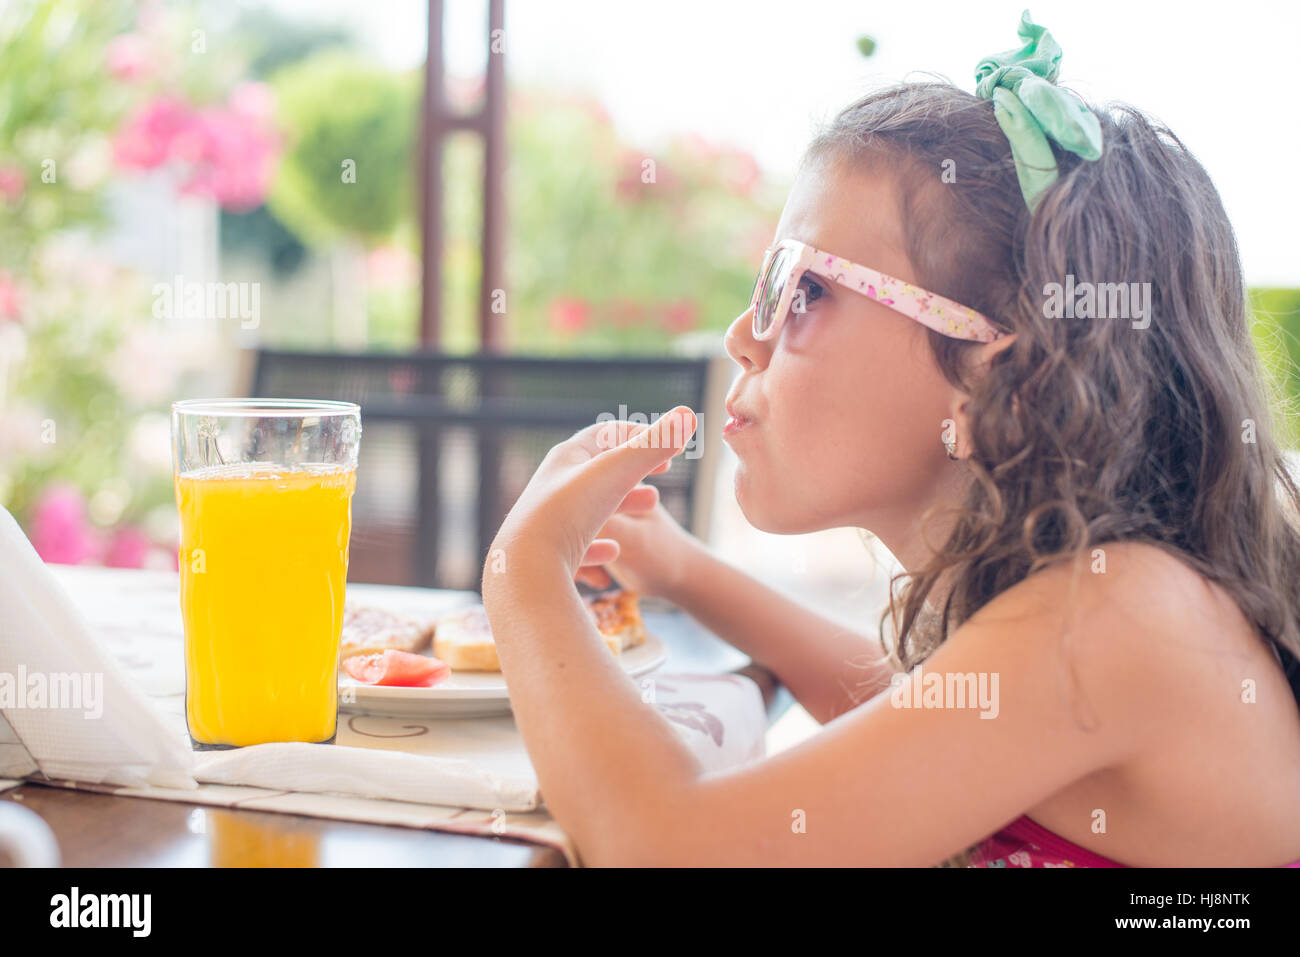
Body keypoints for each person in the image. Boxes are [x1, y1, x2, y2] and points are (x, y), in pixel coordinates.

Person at [480, 11, 1300, 867]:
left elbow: (659, 843)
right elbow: (907, 729)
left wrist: (524, 571)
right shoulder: (1099, 606)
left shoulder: (1121, 617)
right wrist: (685, 569)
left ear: (989, 377)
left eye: (800, 291)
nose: (741, 337)